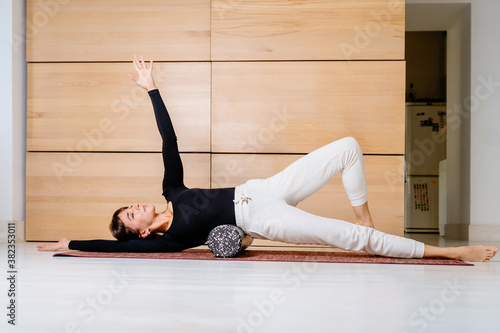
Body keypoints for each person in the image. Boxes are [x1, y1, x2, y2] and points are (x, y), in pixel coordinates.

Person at [37, 56, 498, 262]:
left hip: (264, 188)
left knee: (348, 146)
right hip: (265, 219)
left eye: (128, 205)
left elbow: (169, 141)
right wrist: (72, 245)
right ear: (137, 231)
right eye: (129, 215)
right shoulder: (168, 241)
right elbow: (116, 249)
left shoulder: (171, 193)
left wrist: (152, 89)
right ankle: (450, 252)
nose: (134, 207)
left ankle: (369, 220)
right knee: (353, 240)